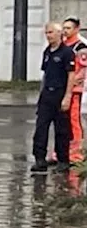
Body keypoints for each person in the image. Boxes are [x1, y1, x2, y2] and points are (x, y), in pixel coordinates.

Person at [32, 22, 77, 173]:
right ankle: (39, 159)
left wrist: (67, 97)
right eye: (46, 33)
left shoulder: (67, 52)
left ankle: (63, 161)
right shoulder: (47, 51)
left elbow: (71, 75)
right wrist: (41, 94)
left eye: (51, 32)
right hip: (47, 95)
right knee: (41, 128)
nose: (48, 35)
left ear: (59, 34)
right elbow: (45, 74)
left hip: (60, 93)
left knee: (62, 129)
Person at [62, 16, 87, 164]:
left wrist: (73, 83)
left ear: (76, 29)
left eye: (68, 28)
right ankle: (61, 151)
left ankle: (76, 154)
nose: (65, 31)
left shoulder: (80, 47)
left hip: (75, 90)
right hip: (63, 88)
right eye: (64, 28)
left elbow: (82, 70)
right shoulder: (64, 45)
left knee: (74, 121)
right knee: (62, 121)